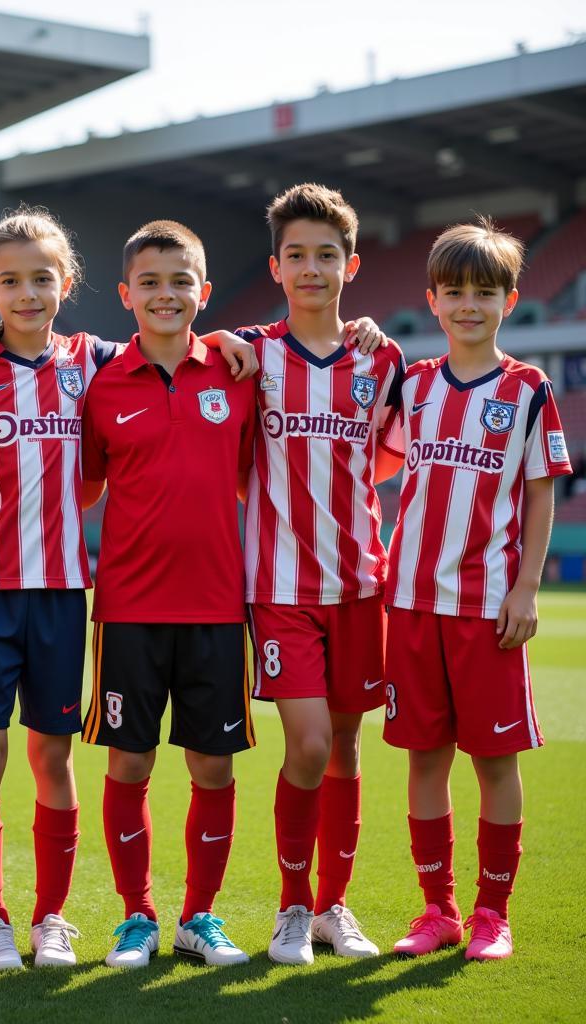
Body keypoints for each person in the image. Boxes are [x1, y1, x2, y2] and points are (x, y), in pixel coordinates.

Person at [0, 206, 256, 970]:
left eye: (42, 278)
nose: (28, 292)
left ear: (68, 284)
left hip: (65, 593)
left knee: (54, 756)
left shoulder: (95, 359)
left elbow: (167, 332)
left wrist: (238, 339)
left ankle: (51, 919)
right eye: (11, 280)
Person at [378, 217, 570, 961]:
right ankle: (438, 911)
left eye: (483, 292)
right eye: (454, 291)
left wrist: (525, 590)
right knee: (424, 759)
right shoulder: (415, 386)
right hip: (412, 605)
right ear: (430, 299)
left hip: (486, 609)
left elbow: (542, 493)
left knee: (495, 762)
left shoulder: (527, 389)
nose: (468, 304)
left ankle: (493, 914)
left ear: (509, 300)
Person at [81, 220, 256, 969]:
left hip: (218, 607)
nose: (166, 294)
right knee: (129, 764)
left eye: (181, 281)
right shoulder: (100, 384)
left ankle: (200, 917)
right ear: (125, 295)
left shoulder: (239, 372)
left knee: (212, 768)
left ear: (204, 292)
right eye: (149, 282)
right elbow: (82, 485)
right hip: (128, 610)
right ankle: (137, 917)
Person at [236, 183, 402, 965]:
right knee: (305, 746)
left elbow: (391, 458)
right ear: (276, 267)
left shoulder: (381, 357)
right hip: (281, 590)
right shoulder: (248, 352)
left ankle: (335, 906)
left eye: (325, 255)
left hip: (360, 585)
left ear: (351, 264)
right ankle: (292, 908)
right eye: (297, 255)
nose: (311, 268)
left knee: (345, 746)